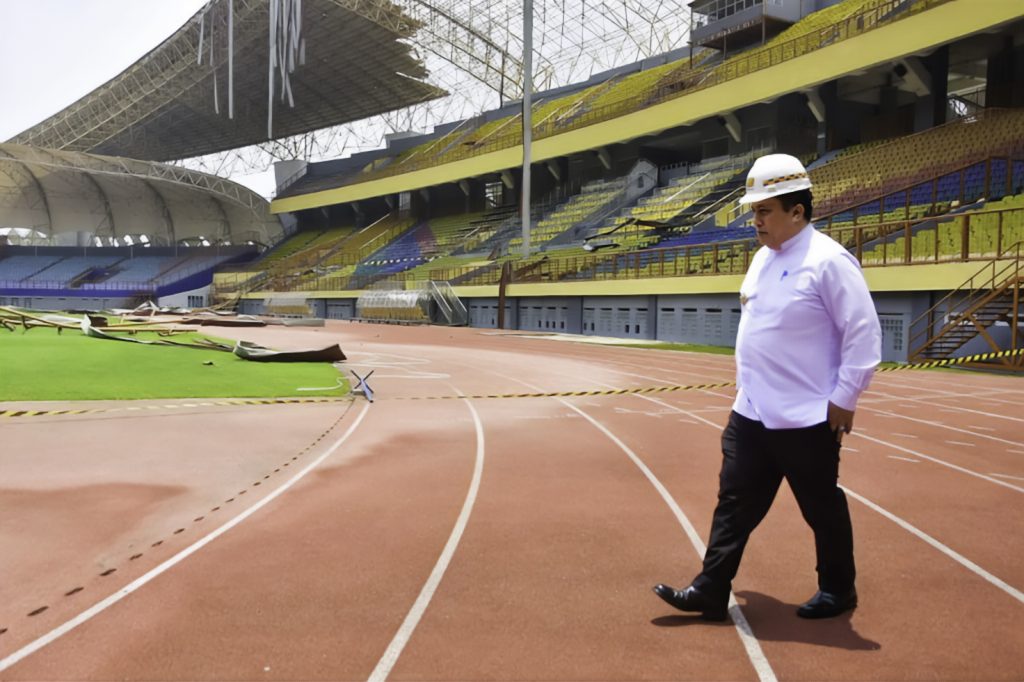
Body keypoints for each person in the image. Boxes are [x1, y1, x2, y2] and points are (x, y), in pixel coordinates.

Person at [653, 153, 882, 621]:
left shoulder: (829, 262)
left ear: (797, 211)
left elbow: (863, 334)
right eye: (753, 211)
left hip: (808, 414)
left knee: (821, 507)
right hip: (752, 412)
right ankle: (711, 588)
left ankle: (839, 590)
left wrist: (845, 398)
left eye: (763, 211)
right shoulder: (762, 258)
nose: (753, 220)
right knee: (733, 504)